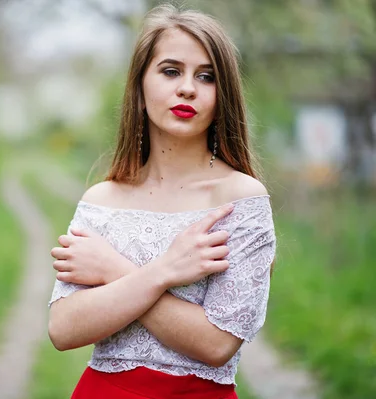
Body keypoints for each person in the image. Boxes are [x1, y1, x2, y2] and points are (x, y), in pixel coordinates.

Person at [48, 4, 277, 399]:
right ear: (139, 88)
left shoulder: (240, 199)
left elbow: (216, 345)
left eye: (206, 77)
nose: (187, 87)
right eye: (171, 71)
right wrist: (166, 271)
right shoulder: (102, 200)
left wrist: (113, 270)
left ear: (223, 96)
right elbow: (64, 329)